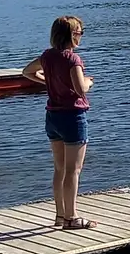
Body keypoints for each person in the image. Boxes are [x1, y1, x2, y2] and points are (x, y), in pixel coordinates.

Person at [22, 14, 94, 230]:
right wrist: (88, 82)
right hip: (73, 117)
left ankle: (60, 215)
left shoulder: (47, 56)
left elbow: (27, 72)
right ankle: (72, 218)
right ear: (72, 35)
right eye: (79, 32)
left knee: (59, 168)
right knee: (74, 170)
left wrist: (47, 81)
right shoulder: (73, 59)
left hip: (52, 117)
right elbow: (80, 90)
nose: (81, 36)